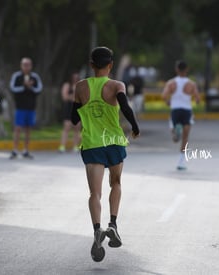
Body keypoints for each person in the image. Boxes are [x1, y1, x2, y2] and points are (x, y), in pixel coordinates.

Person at [71, 46, 140, 262]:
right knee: (116, 183)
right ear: (110, 65)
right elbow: (126, 108)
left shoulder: (80, 87)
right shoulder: (117, 85)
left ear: (92, 65)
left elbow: (73, 118)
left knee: (95, 193)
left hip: (92, 144)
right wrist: (135, 126)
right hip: (113, 143)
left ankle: (97, 230)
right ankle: (113, 224)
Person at [162, 60, 200, 170]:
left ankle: (174, 129)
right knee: (185, 137)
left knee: (175, 138)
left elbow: (164, 96)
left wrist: (168, 102)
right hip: (187, 111)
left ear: (177, 70)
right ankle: (181, 162)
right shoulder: (191, 84)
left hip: (175, 110)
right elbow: (197, 99)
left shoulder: (171, 83)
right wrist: (195, 101)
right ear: (187, 69)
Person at [9, 57, 43, 159]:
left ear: (31, 66)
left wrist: (30, 87)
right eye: (24, 64)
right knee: (18, 128)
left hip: (31, 108)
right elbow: (13, 88)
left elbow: (39, 89)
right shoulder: (17, 76)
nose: (26, 67)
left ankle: (26, 150)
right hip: (20, 107)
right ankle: (15, 150)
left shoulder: (35, 77)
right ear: (21, 65)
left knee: (28, 129)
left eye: (28, 64)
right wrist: (24, 86)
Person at [59, 73, 81, 152]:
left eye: (77, 77)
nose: (75, 79)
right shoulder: (67, 85)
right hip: (68, 108)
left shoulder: (81, 86)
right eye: (74, 77)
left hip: (77, 109)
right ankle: (62, 146)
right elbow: (65, 97)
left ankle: (75, 146)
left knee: (77, 128)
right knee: (66, 127)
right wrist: (74, 95)